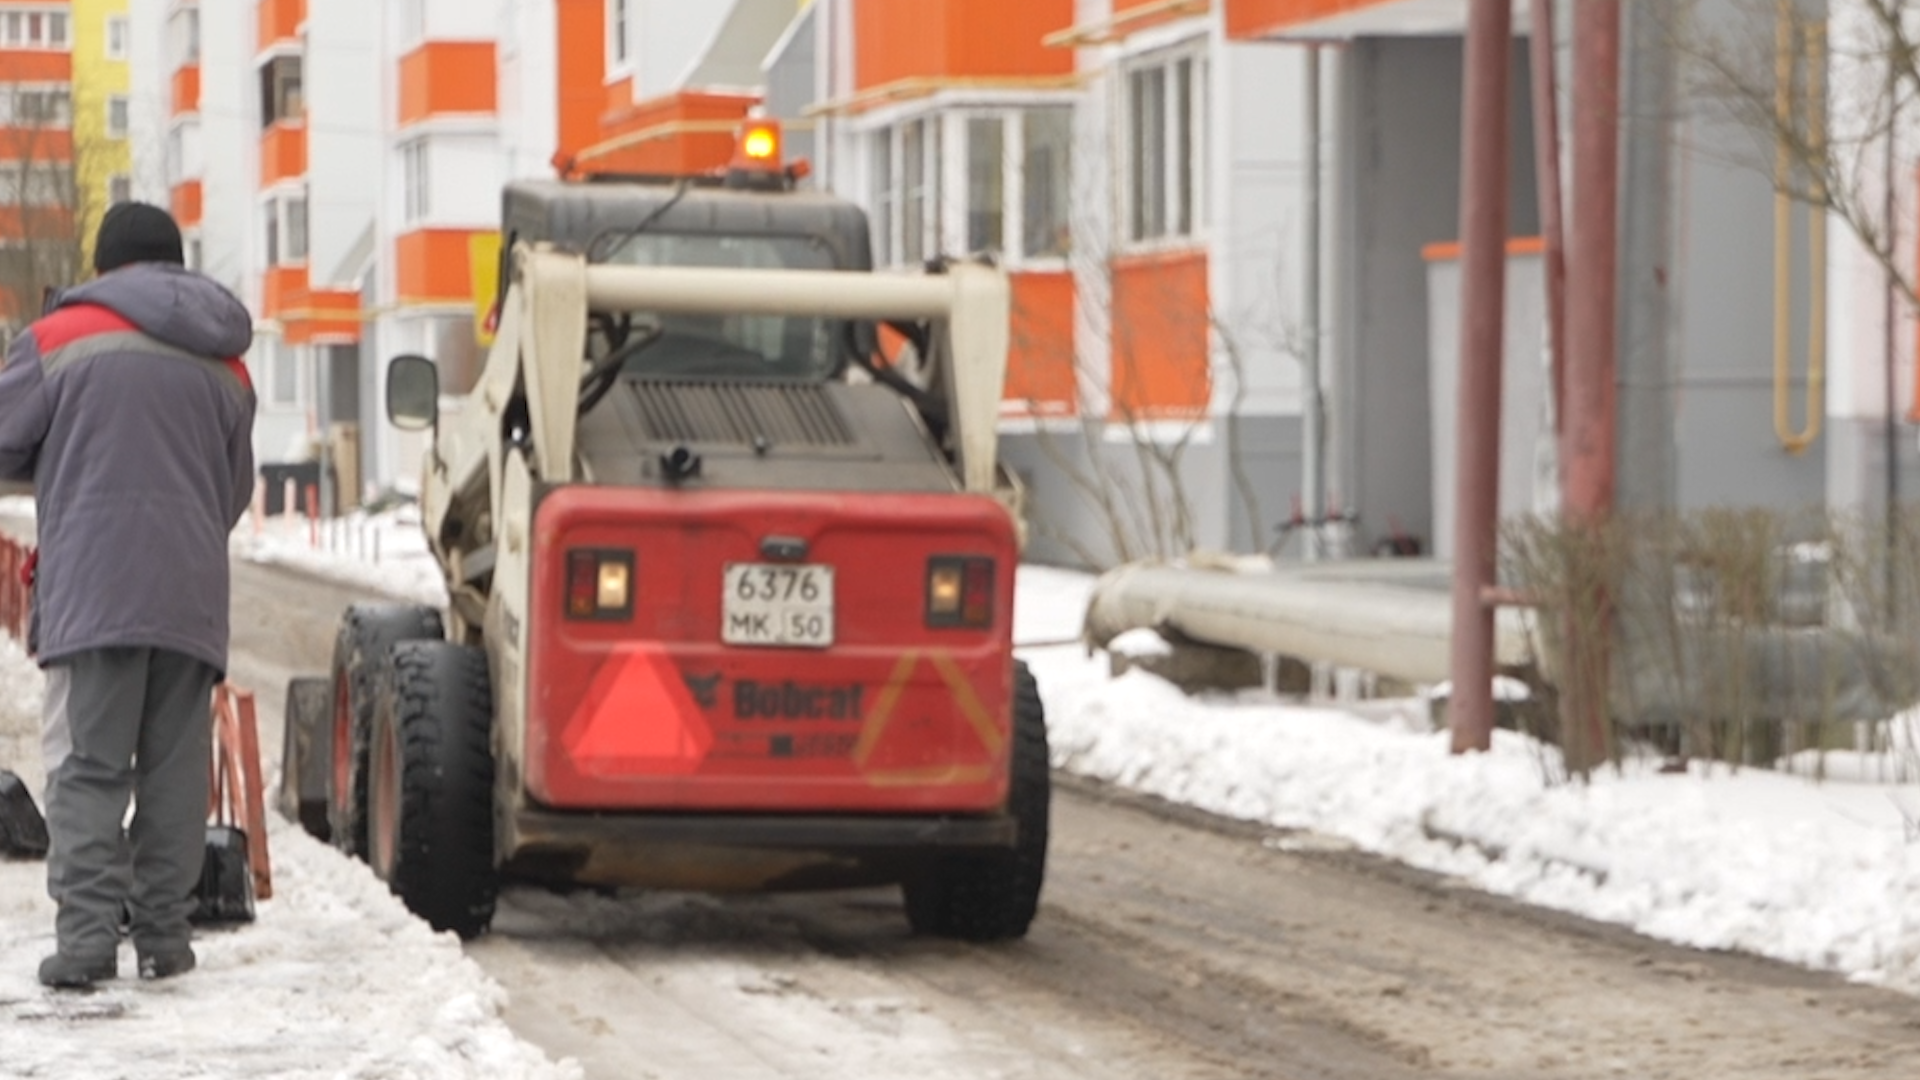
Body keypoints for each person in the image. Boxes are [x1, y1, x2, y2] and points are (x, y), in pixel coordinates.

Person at [0, 202, 255, 989]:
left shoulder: (58, 340)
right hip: (190, 596)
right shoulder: (228, 362)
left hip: (95, 590)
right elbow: (234, 487)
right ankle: (165, 944)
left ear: (103, 270)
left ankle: (84, 946)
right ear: (175, 266)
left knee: (88, 767)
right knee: (175, 774)